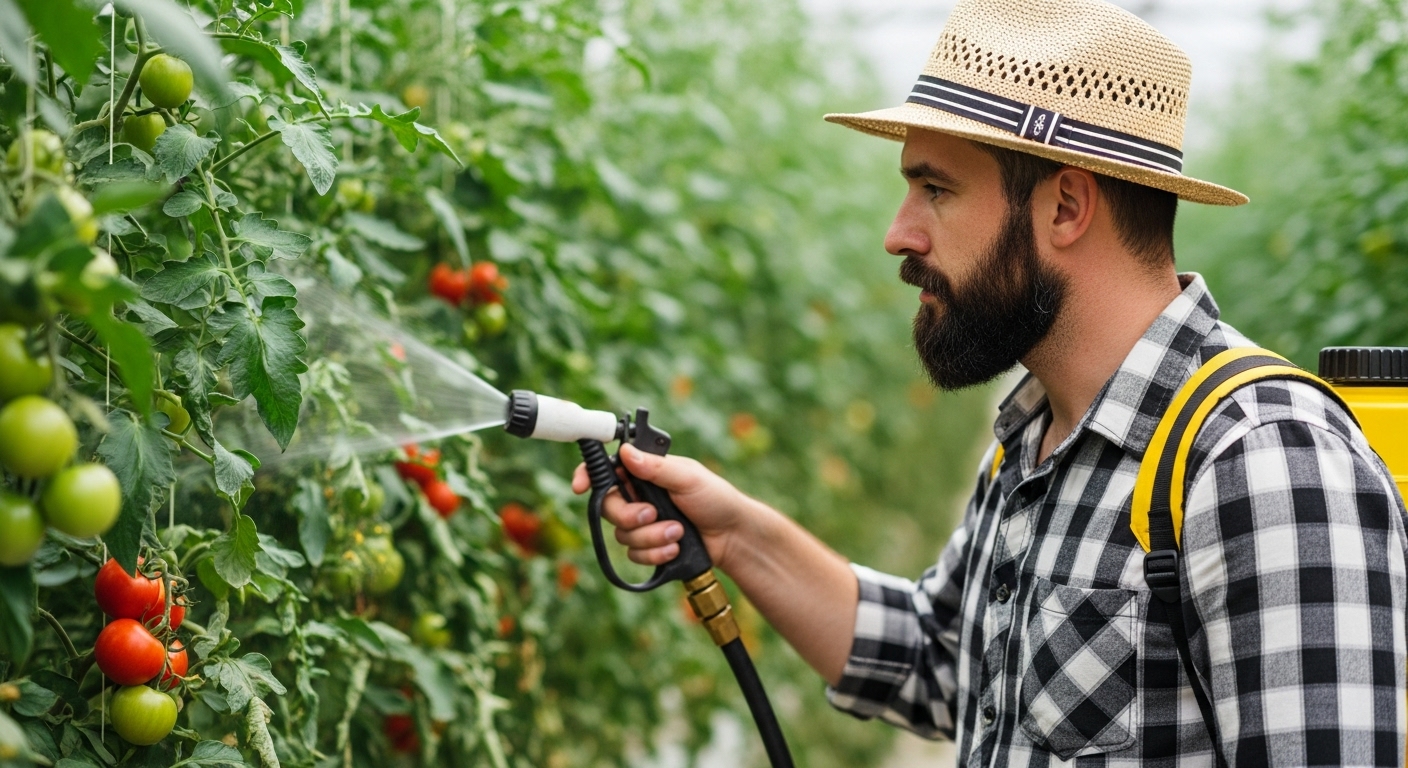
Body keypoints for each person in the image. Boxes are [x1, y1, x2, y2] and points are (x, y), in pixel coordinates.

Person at [573, 0, 1408, 764]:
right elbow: (947, 663)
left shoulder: (1260, 462)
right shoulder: (1033, 439)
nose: (900, 235)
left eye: (936, 190)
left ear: (1065, 207)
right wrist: (738, 537)